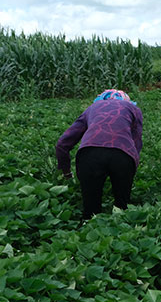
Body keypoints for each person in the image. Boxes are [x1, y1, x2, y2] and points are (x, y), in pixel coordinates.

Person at [56, 89, 143, 221]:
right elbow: (136, 142)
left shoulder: (92, 108)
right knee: (122, 208)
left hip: (89, 155)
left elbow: (63, 143)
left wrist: (66, 172)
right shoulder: (133, 109)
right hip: (123, 154)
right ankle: (120, 233)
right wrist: (131, 167)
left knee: (90, 211)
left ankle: (88, 229)